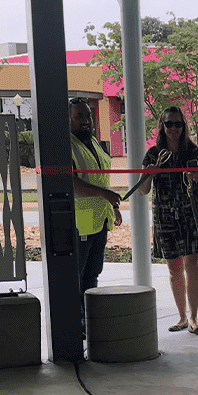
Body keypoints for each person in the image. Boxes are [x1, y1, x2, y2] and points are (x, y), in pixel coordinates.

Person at [139, 106, 198, 334]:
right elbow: (143, 190)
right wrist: (149, 174)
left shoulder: (193, 152)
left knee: (193, 264)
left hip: (192, 212)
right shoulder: (153, 154)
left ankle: (193, 318)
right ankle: (181, 316)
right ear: (161, 125)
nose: (173, 128)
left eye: (177, 124)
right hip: (165, 214)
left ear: (184, 126)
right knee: (174, 268)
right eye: (169, 124)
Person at [69, 98, 122, 327]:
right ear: (68, 118)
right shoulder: (67, 146)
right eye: (79, 115)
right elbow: (72, 184)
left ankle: (88, 320)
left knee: (92, 274)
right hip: (80, 222)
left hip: (100, 220)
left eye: (88, 115)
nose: (86, 120)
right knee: (76, 276)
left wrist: (115, 206)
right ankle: (76, 321)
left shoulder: (95, 143)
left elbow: (102, 180)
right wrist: (105, 196)